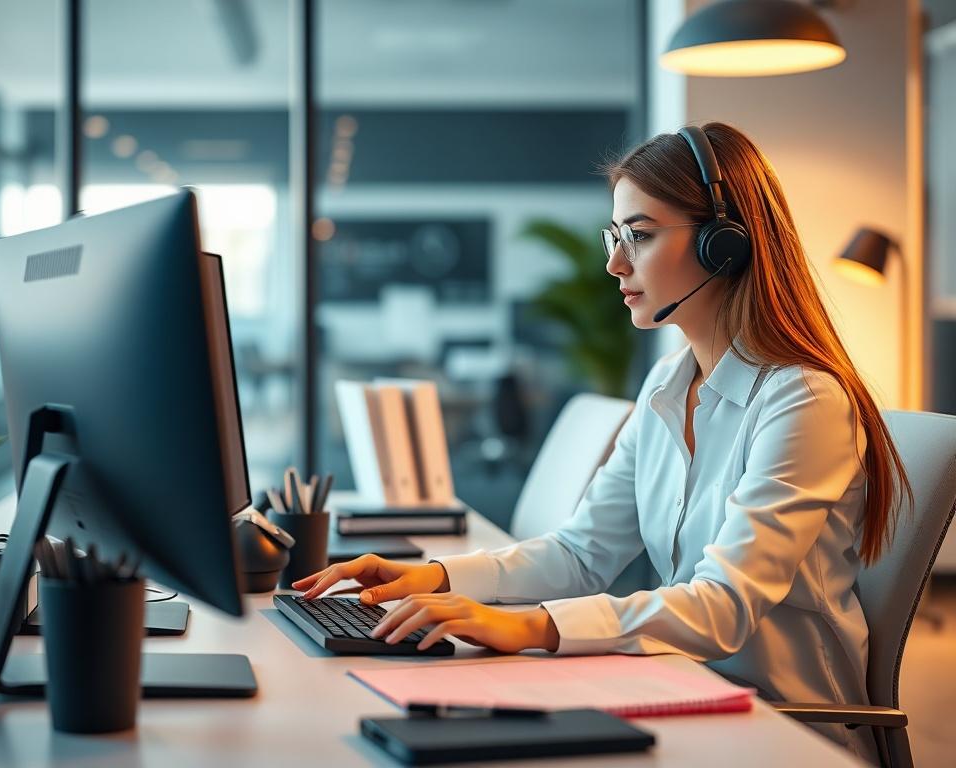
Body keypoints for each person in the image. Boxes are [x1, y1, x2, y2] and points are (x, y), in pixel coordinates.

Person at [292, 122, 912, 762]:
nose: (615, 263)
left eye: (638, 237)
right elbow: (582, 553)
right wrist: (436, 576)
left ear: (723, 246)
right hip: (680, 692)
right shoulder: (667, 384)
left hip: (787, 730)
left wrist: (530, 625)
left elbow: (723, 608)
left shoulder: (802, 400)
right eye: (615, 237)